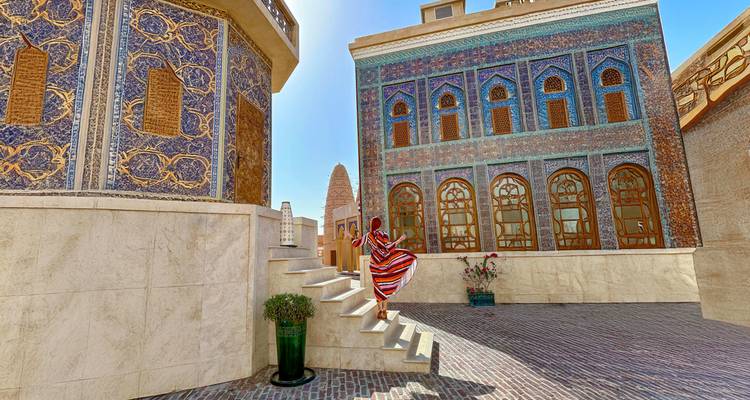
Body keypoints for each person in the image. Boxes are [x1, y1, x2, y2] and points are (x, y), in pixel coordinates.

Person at [346, 217, 418, 320]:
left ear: (371, 225)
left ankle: (380, 310)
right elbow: (388, 247)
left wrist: (350, 236)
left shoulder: (368, 236)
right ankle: (384, 309)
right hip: (385, 264)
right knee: (386, 285)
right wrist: (399, 240)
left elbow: (356, 244)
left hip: (374, 264)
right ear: (379, 225)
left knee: (378, 286)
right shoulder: (384, 235)